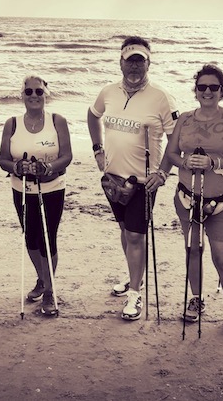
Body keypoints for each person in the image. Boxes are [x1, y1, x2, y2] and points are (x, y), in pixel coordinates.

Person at [87, 36, 179, 321]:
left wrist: (163, 173)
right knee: (126, 231)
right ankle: (133, 276)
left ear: (149, 63)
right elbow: (93, 117)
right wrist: (97, 150)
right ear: (121, 62)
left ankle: (135, 295)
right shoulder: (108, 92)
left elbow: (177, 138)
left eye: (141, 61)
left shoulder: (161, 97)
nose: (135, 67)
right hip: (112, 179)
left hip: (143, 181)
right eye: (130, 61)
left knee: (137, 236)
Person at [164, 64, 223, 336]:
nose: (208, 91)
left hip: (222, 203)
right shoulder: (185, 119)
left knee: (222, 257)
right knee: (193, 251)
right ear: (196, 90)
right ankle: (196, 298)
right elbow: (172, 153)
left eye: (214, 87)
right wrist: (185, 161)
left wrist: (214, 162)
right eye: (202, 87)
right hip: (188, 199)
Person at [0, 75, 73, 316]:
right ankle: (42, 279)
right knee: (30, 237)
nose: (33, 95)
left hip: (52, 188)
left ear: (45, 95)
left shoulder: (57, 121)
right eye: (28, 91)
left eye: (38, 92)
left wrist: (47, 168)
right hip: (22, 189)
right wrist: (18, 167)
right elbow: (2, 160)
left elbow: (67, 156)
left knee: (47, 238)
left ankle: (49, 290)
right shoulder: (11, 123)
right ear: (22, 95)